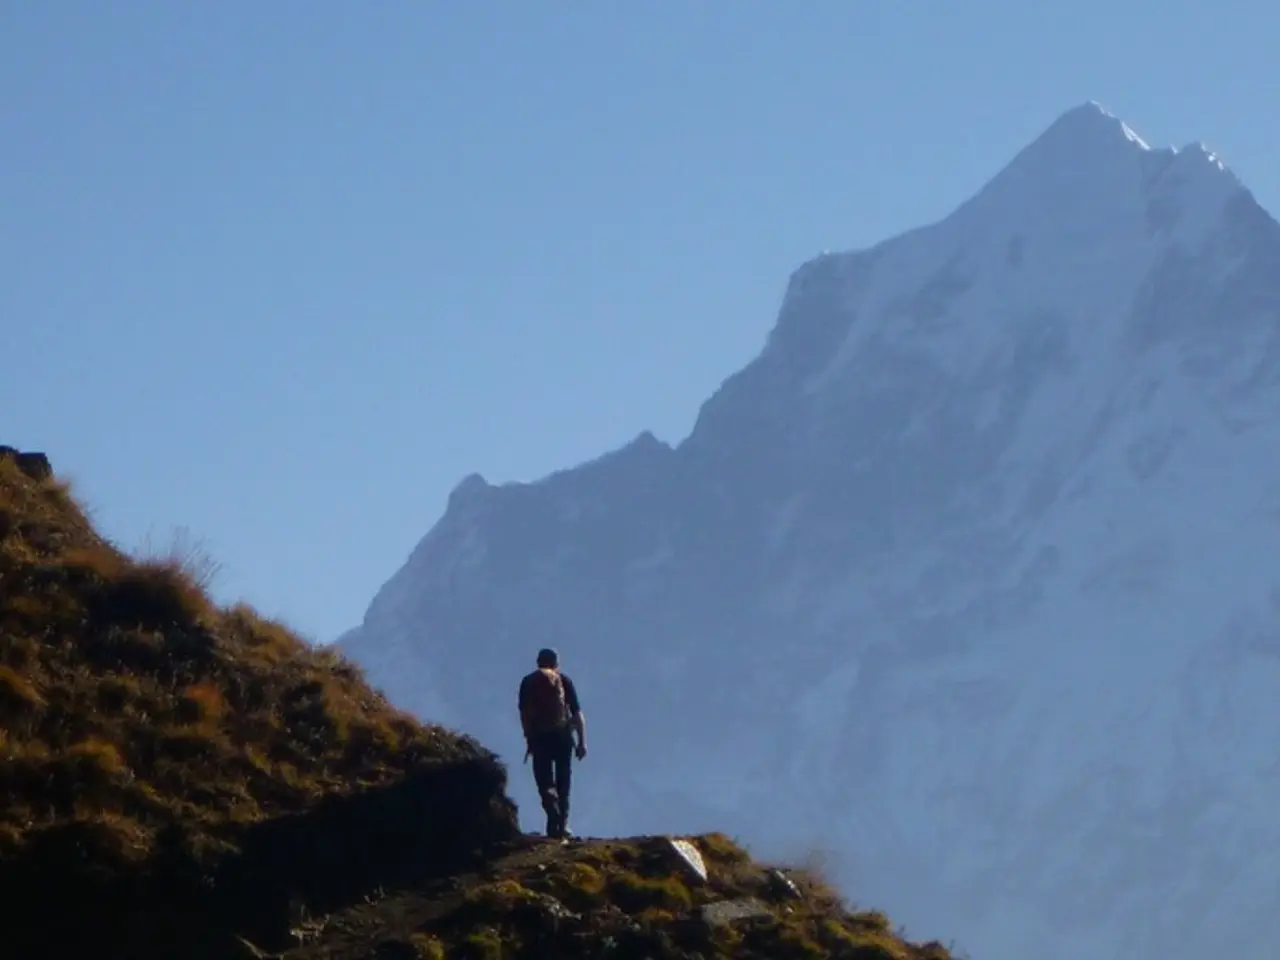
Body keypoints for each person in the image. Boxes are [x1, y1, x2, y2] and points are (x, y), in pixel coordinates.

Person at [518, 647, 587, 838]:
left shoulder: (528, 682)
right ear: (556, 663)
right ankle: (562, 824)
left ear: (538, 662)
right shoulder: (564, 681)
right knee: (563, 780)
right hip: (563, 735)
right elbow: (577, 714)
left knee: (544, 780)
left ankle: (552, 813)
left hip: (540, 737)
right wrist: (582, 742)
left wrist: (529, 737)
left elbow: (524, 714)